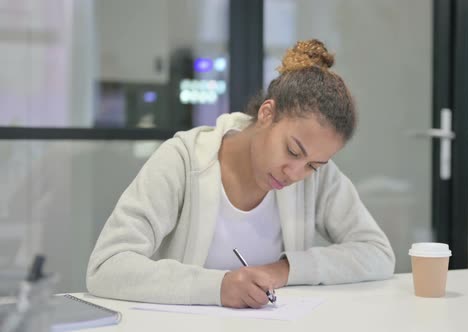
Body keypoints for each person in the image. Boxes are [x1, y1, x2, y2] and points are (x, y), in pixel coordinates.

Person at [86, 39, 395, 309]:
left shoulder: (316, 176)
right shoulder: (182, 160)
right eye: (292, 151)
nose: (296, 173)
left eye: (314, 165)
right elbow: (107, 266)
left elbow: (377, 253)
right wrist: (218, 287)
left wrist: (284, 270)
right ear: (266, 114)